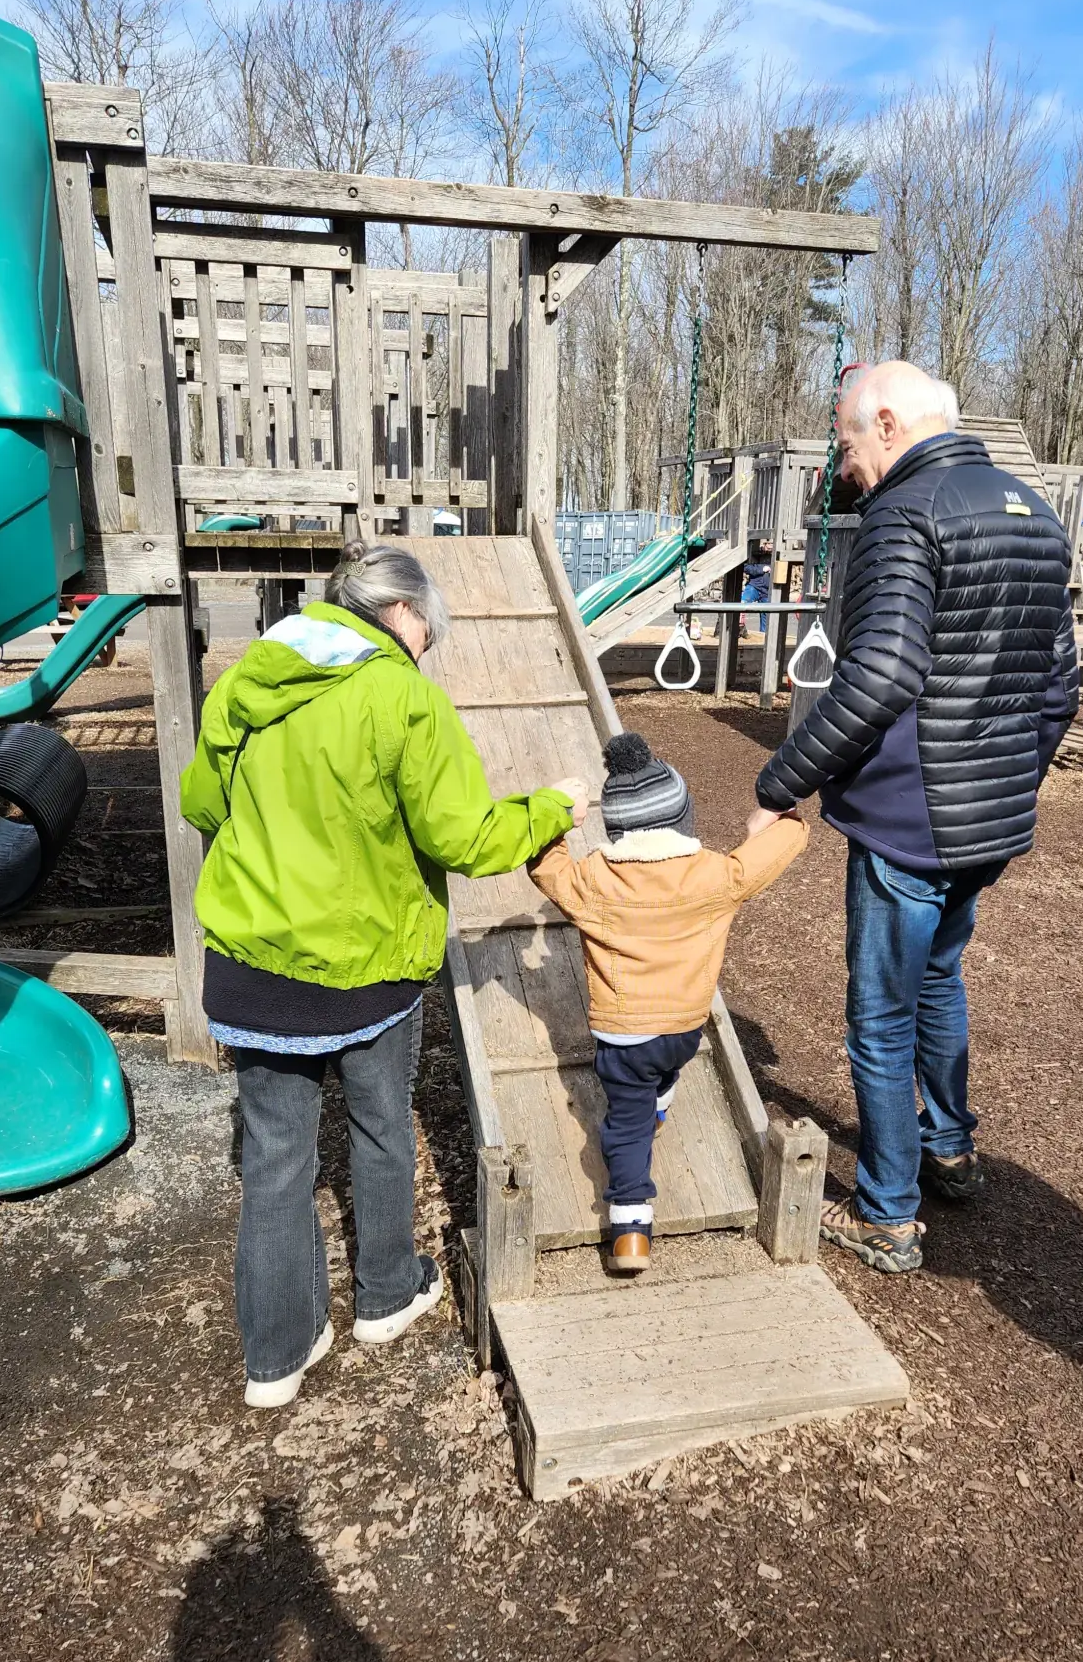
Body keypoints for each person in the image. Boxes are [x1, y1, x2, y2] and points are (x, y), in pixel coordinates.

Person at [181, 540, 587, 1408]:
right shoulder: (403, 697)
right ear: (402, 611)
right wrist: (554, 806)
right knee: (379, 1126)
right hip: (368, 966)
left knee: (275, 1158)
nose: (427, 641)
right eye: (428, 625)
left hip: (253, 963)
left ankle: (276, 1357)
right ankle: (386, 1295)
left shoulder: (247, 681)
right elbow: (464, 837)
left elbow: (201, 802)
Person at [750, 361, 1078, 1275]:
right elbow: (1060, 689)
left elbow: (882, 675)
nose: (847, 465)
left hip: (911, 824)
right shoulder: (1034, 512)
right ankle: (950, 1147)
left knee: (882, 1015)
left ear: (888, 424)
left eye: (849, 442)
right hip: (989, 822)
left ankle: (888, 1213)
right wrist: (1010, 779)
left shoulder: (905, 513)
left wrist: (782, 781)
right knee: (939, 976)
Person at [529, 731, 806, 1275]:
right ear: (683, 818)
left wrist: (560, 816)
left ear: (616, 828)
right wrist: (782, 820)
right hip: (684, 1029)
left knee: (625, 1126)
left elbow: (545, 867)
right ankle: (660, 1104)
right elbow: (773, 852)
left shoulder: (592, 880)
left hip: (624, 1036)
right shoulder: (715, 874)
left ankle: (631, 1227)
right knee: (664, 1072)